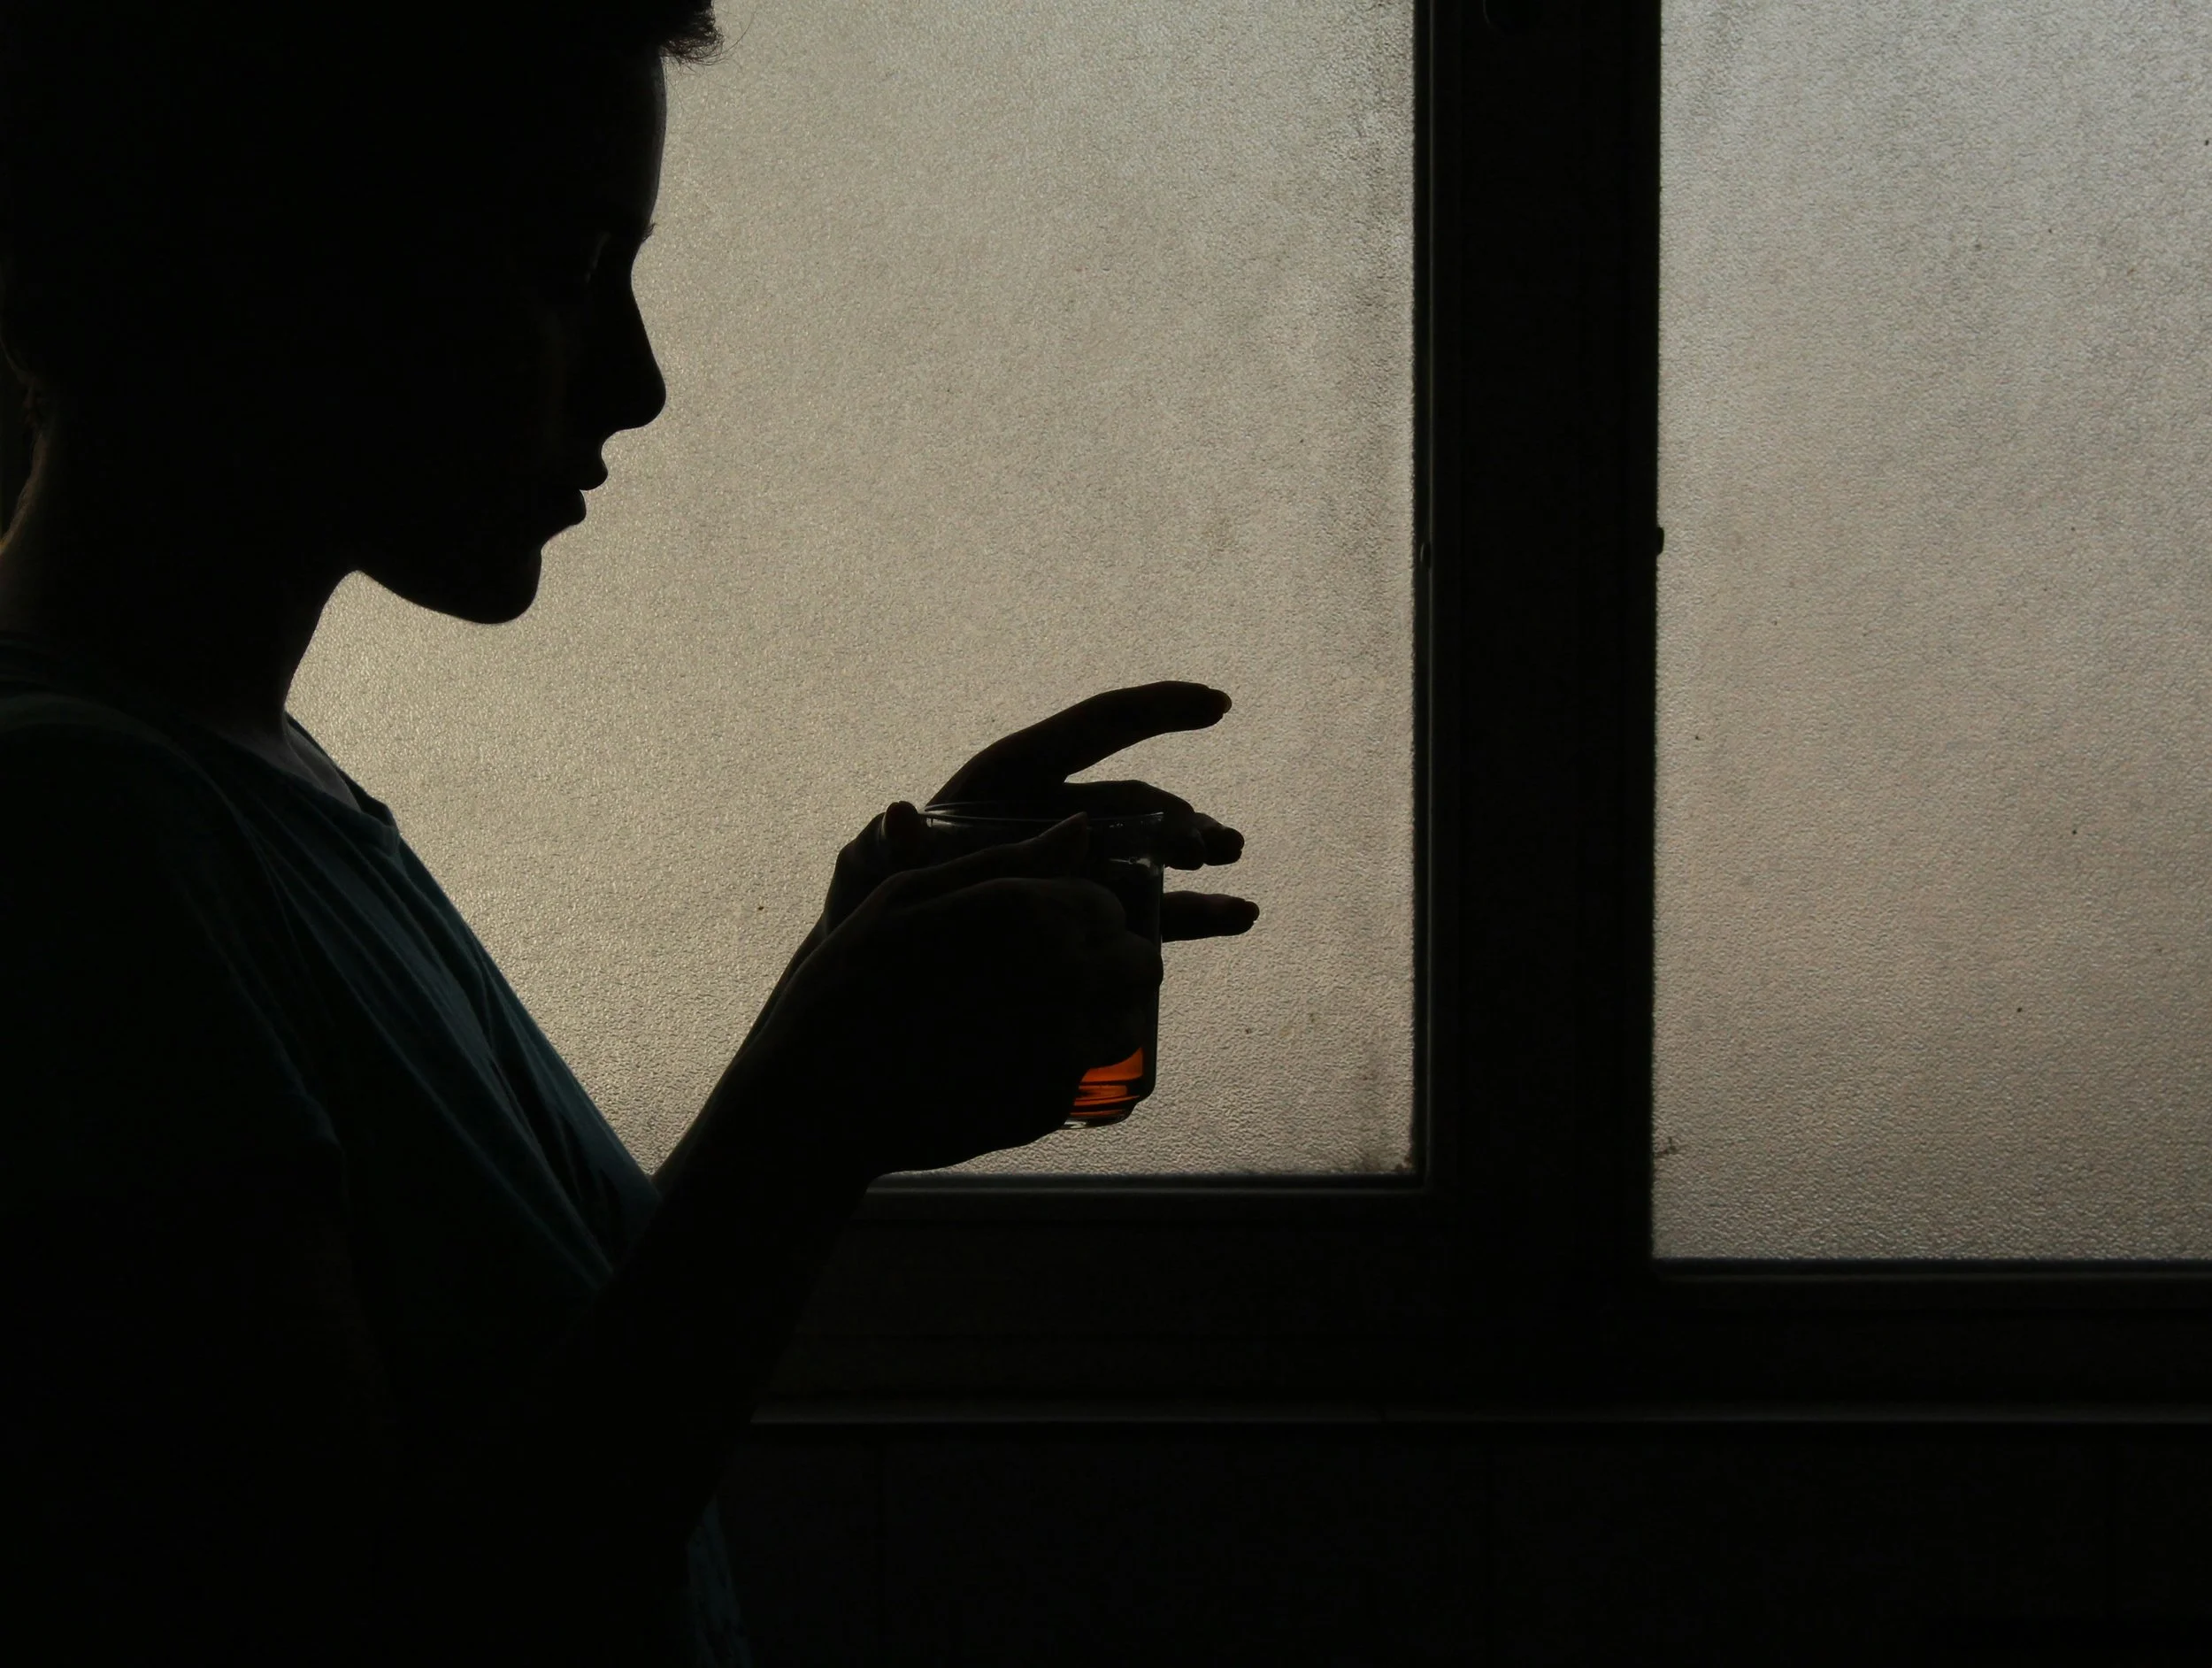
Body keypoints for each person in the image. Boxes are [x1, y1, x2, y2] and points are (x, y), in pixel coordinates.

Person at [0, 1, 1257, 1660]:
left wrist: (843, 996)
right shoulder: (79, 832)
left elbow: (525, 1384)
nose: (640, 382)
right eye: (561, 259)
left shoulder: (239, 792)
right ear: (243, 258)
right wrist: (812, 1117)